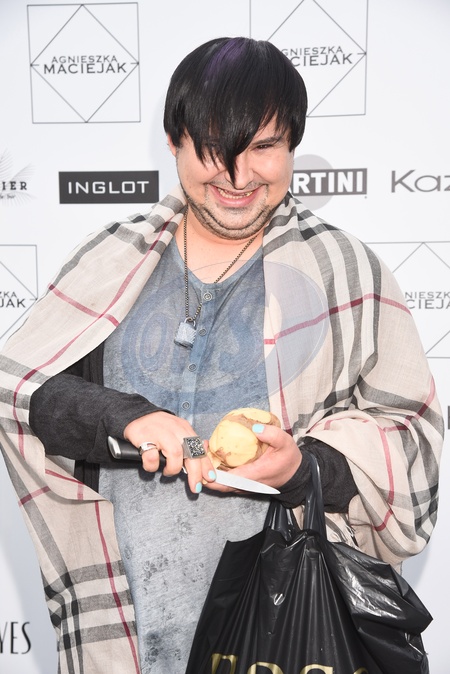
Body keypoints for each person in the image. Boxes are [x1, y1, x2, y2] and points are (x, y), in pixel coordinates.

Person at [0, 36, 443, 674]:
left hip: (285, 638)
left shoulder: (346, 274)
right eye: (212, 147)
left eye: (261, 147)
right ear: (173, 141)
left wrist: (301, 468)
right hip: (125, 637)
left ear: (292, 145)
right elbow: (26, 392)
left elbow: (411, 446)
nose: (237, 177)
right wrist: (126, 417)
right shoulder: (110, 260)